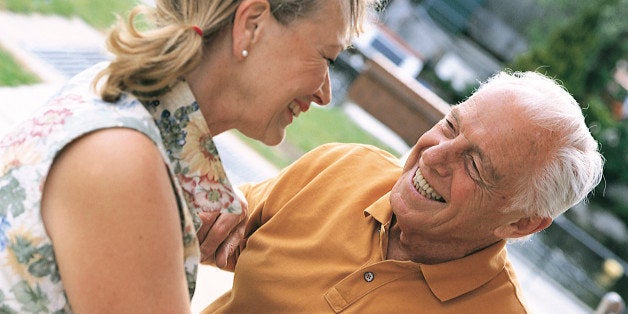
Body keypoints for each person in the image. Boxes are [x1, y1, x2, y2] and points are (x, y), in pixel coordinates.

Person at [0, 0, 374, 312]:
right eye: (327, 57)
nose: (324, 94)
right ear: (251, 24)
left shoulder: (126, 104)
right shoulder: (124, 159)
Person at [201, 71, 604, 313]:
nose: (435, 156)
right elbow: (210, 224)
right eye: (451, 125)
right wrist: (210, 225)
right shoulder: (342, 166)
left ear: (522, 223)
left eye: (476, 164)